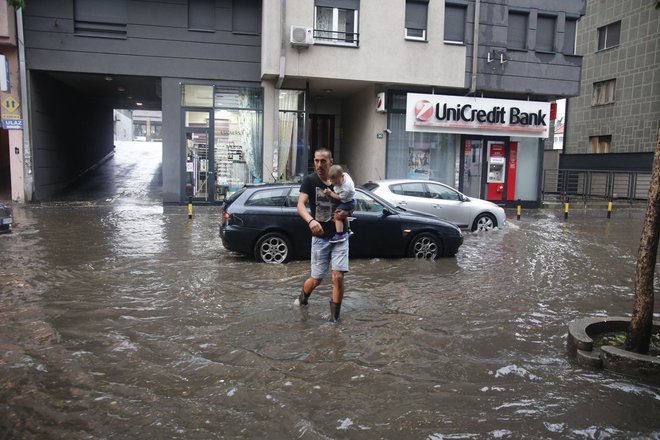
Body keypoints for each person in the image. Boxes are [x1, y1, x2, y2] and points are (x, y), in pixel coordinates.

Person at [294, 148, 349, 322]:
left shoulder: (341, 180)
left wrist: (347, 212)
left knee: (338, 276)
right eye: (316, 161)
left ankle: (335, 320)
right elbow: (300, 205)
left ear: (331, 162)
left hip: (340, 236)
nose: (318, 165)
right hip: (320, 238)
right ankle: (304, 297)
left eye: (323, 161)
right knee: (317, 279)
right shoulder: (310, 181)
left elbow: (352, 201)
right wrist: (311, 221)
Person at [324, 165, 355, 243]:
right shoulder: (344, 175)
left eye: (336, 182)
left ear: (342, 177)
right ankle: (348, 230)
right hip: (349, 200)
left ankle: (339, 235)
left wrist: (330, 193)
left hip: (348, 202)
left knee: (337, 215)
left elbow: (339, 197)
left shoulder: (346, 188)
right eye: (332, 182)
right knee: (343, 216)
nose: (334, 184)